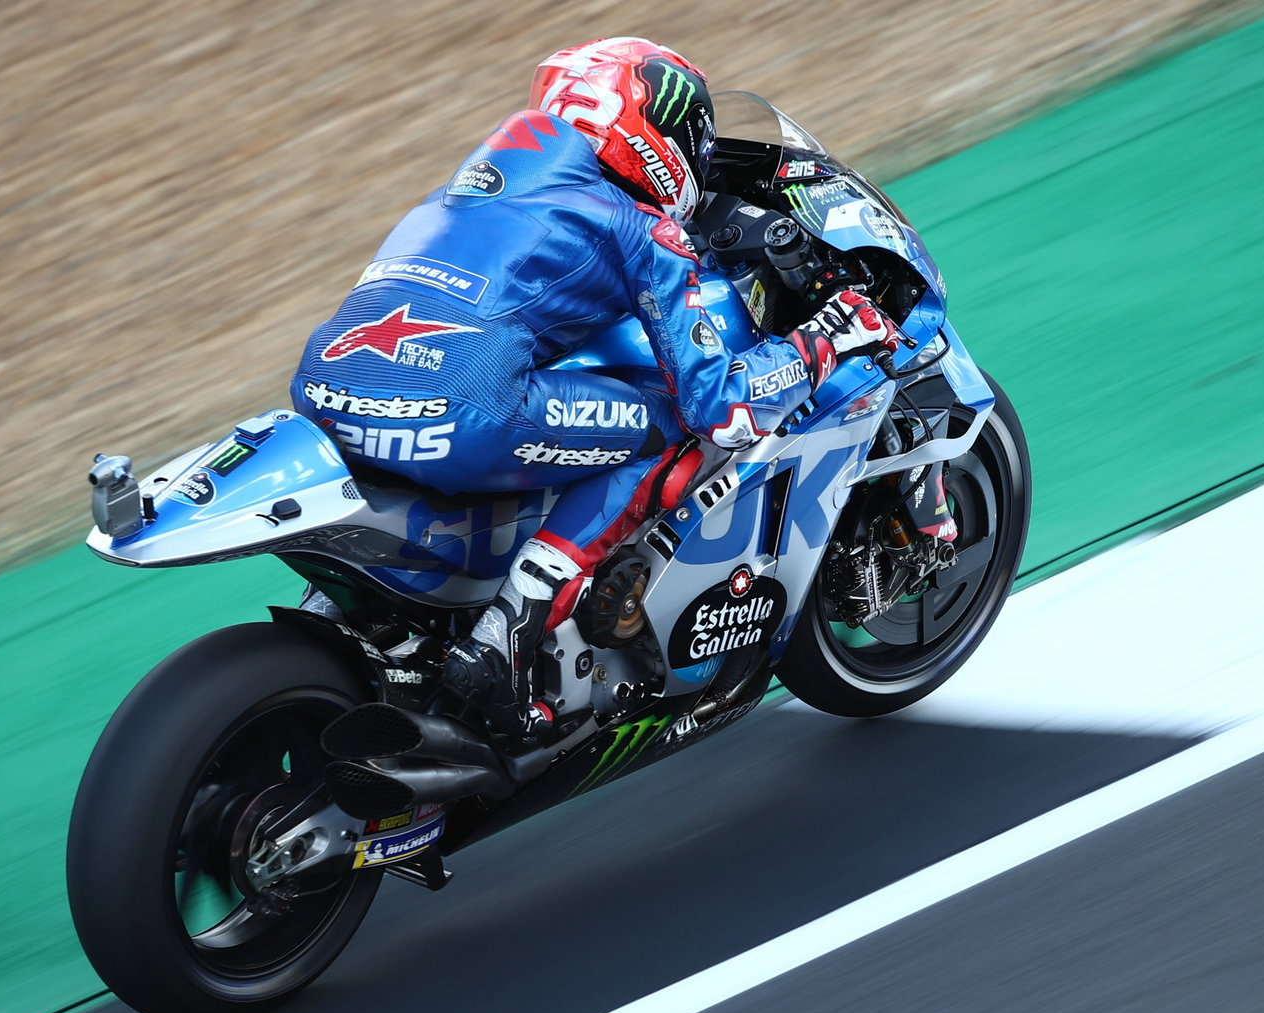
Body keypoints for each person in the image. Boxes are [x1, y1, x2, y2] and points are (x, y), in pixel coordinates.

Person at [291, 36, 899, 744]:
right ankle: (509, 632)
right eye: (690, 137)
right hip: (463, 406)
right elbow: (722, 408)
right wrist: (827, 337)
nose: (697, 156)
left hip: (327, 384)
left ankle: (361, 631)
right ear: (653, 135)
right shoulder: (633, 223)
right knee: (674, 422)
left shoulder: (480, 181)